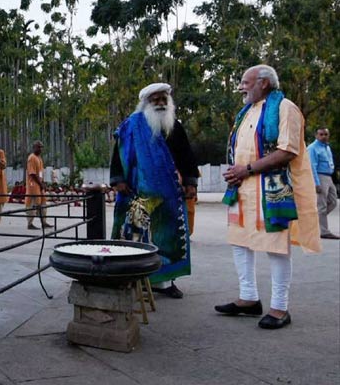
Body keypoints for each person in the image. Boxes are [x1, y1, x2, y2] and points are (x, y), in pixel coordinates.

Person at [216, 65, 321, 329]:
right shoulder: (247, 111)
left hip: (272, 189)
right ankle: (249, 298)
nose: (241, 86)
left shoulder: (285, 108)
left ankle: (280, 308)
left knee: (276, 246)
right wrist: (236, 171)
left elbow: (288, 151)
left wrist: (246, 169)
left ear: (263, 83)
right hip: (242, 189)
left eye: (245, 82)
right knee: (239, 241)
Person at [110, 83, 200, 299]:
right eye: (155, 100)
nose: (160, 103)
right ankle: (133, 279)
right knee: (134, 236)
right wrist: (118, 180)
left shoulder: (174, 126)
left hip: (168, 194)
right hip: (135, 191)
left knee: (167, 238)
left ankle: (166, 283)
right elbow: (118, 153)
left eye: (163, 99)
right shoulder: (131, 126)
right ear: (146, 103)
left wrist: (190, 182)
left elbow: (186, 155)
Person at [308, 127, 338, 239]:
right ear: (316, 135)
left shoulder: (327, 147)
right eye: (321, 134)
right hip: (319, 176)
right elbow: (312, 166)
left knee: (333, 201)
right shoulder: (312, 148)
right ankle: (323, 231)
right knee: (321, 205)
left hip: (328, 177)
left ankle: (315, 222)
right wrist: (316, 183)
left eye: (326, 134)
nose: (324, 136)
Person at [26, 141, 48, 230]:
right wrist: (40, 183)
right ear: (34, 147)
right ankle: (30, 223)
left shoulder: (39, 158)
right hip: (33, 185)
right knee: (33, 204)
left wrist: (43, 183)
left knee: (43, 203)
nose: (40, 149)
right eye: (38, 147)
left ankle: (44, 222)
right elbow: (32, 174)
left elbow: (40, 173)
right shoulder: (32, 158)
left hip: (40, 185)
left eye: (41, 147)